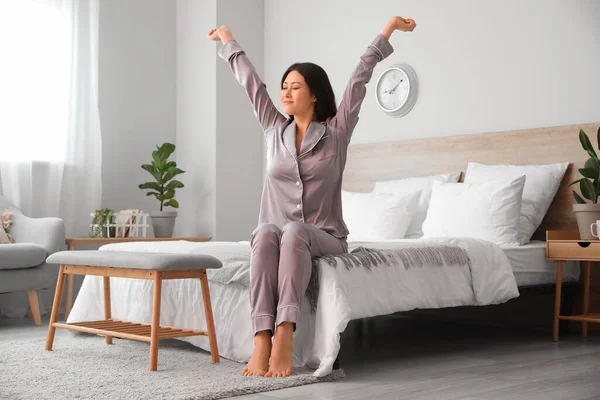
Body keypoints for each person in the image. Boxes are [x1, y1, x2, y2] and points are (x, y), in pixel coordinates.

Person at [207, 16, 416, 378]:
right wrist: (227, 41)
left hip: (326, 236)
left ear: (315, 93)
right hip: (280, 235)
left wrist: (388, 30)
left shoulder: (337, 132)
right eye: (284, 86)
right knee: (266, 232)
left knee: (293, 230)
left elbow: (359, 78)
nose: (285, 93)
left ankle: (285, 334)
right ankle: (261, 338)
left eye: (295, 87)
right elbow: (251, 85)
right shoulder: (274, 129)